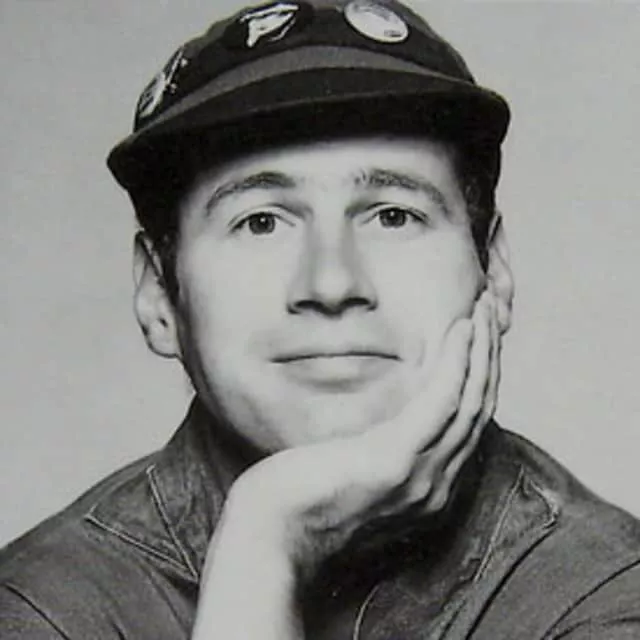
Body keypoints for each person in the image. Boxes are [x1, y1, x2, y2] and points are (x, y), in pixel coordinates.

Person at [2, 1, 640, 638]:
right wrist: (264, 542)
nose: (332, 283)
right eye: (261, 222)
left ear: (492, 271)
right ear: (157, 295)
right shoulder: (45, 609)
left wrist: (269, 538)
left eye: (393, 215)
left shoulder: (607, 592)